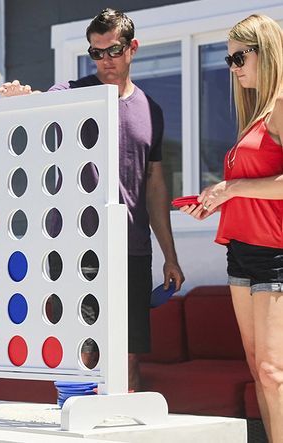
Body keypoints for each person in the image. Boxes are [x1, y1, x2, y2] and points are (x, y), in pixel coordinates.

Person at [0, 8, 184, 390]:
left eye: (112, 51)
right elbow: (36, 105)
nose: (104, 61)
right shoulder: (72, 94)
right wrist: (20, 99)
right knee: (82, 350)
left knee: (129, 354)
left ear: (132, 48)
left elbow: (155, 186)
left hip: (131, 248)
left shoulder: (152, 111)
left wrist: (170, 255)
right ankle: (77, 421)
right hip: (74, 247)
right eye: (95, 53)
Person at [180, 14, 283, 442]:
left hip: (276, 256)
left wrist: (234, 186)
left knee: (274, 372)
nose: (234, 66)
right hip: (241, 253)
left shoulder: (280, 108)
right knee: (260, 370)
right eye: (229, 58)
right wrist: (218, 201)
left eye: (240, 56)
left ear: (267, 51)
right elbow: (255, 191)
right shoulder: (255, 118)